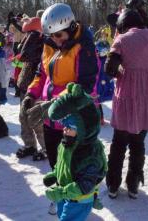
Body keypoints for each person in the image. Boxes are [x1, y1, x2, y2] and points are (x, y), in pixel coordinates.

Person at [22, 3, 99, 215]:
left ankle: (77, 201)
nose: (56, 40)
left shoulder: (84, 46)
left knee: (74, 161)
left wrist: (56, 104)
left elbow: (85, 87)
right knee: (56, 161)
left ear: (71, 26)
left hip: (73, 117)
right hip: (49, 117)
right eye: (51, 36)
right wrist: (32, 94)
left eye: (59, 35)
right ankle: (61, 194)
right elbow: (42, 74)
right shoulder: (50, 43)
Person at [104, 9, 148, 199]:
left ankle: (113, 184)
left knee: (118, 143)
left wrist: (122, 71)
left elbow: (109, 68)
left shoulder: (122, 40)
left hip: (128, 96)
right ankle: (133, 185)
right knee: (138, 143)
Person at [43, 83, 106, 221]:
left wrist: (61, 192)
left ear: (84, 128)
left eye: (70, 126)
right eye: (64, 125)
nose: (65, 130)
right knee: (61, 216)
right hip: (66, 195)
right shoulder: (67, 143)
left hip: (79, 199)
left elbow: (85, 185)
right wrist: (55, 175)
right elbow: (63, 165)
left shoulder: (89, 153)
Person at [15, 17, 46, 160]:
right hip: (25, 85)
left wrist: (33, 36)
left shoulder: (41, 42)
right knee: (23, 118)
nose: (27, 36)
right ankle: (29, 145)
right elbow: (21, 55)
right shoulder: (30, 38)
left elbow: (26, 54)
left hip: (36, 87)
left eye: (30, 33)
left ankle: (46, 147)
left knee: (36, 119)